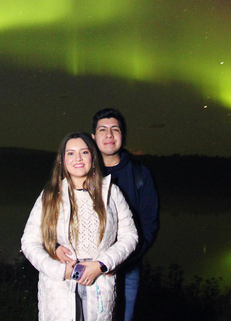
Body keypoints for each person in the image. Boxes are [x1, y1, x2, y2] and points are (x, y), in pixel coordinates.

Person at [22, 132, 138, 321]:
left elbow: (130, 236)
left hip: (99, 284)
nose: (78, 158)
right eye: (70, 153)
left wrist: (101, 264)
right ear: (62, 160)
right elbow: (29, 242)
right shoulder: (50, 195)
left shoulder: (111, 193)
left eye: (84, 152)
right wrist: (58, 270)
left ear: (93, 157)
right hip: (59, 289)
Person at [57, 108, 159, 321]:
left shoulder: (140, 175)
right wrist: (57, 248)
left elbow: (149, 224)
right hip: (84, 267)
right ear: (93, 138)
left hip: (128, 267)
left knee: (124, 316)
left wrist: (116, 262)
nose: (109, 135)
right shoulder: (80, 172)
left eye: (115, 129)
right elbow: (55, 221)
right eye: (102, 130)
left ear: (123, 135)